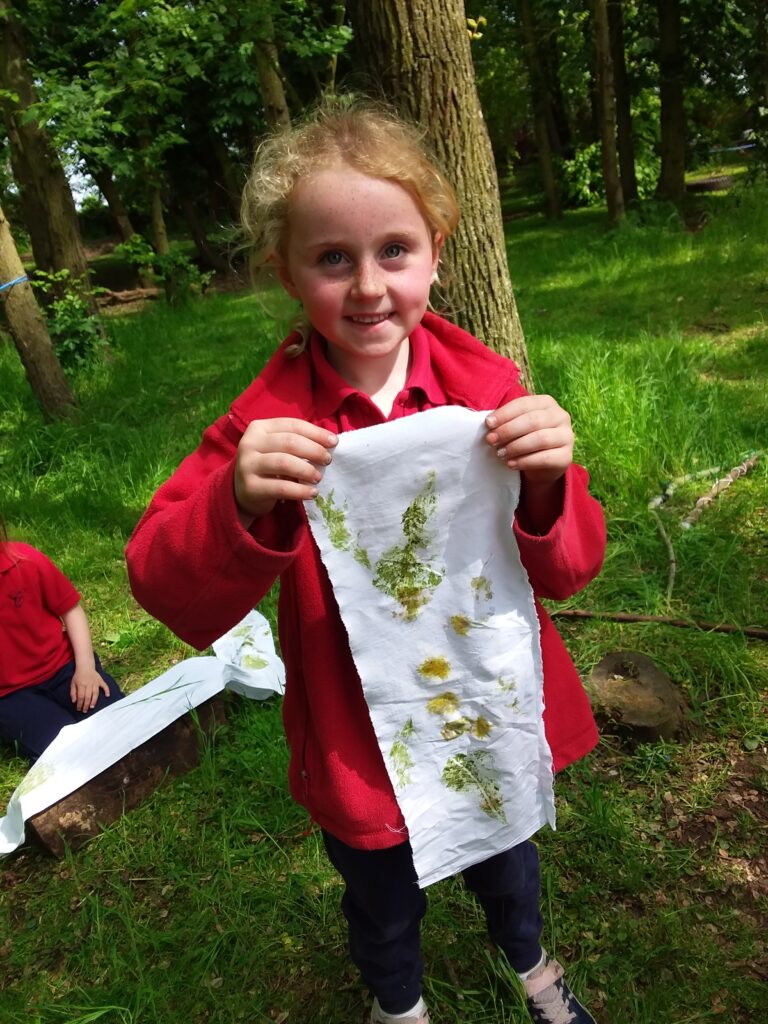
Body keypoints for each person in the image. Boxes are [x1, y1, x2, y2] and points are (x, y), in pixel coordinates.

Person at [126, 101, 606, 1024]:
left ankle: (534, 967)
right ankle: (399, 1005)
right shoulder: (265, 428)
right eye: (332, 259)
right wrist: (238, 496)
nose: (369, 286)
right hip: (360, 739)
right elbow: (159, 579)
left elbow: (570, 567)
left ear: (436, 247)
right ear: (286, 272)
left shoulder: (489, 396)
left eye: (394, 250)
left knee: (510, 866)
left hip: (483, 711)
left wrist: (549, 483)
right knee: (382, 901)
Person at [0, 517, 124, 762]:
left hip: (64, 669)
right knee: (68, 750)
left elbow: (71, 610)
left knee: (118, 720)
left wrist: (86, 668)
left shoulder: (25, 560)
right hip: (10, 695)